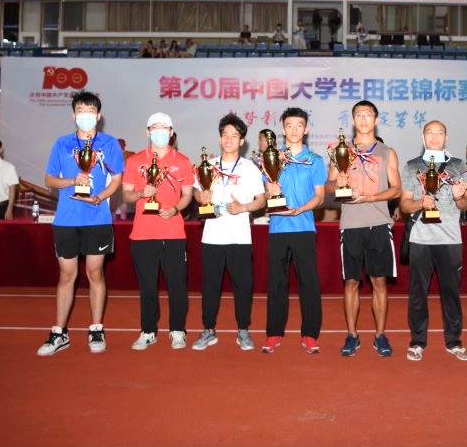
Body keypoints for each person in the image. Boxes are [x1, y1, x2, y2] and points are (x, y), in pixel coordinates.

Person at [36, 91, 124, 356]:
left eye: (90, 111)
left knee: (95, 274)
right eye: (81, 111)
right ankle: (59, 332)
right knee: (66, 276)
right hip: (66, 219)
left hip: (97, 218)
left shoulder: (109, 144)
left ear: (98, 116)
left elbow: (117, 180)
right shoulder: (62, 143)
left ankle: (96, 328)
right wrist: (73, 181)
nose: (86, 115)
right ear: (74, 115)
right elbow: (49, 179)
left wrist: (100, 197)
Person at [326, 100, 401, 357]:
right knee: (351, 282)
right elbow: (328, 187)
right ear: (353, 120)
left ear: (376, 120)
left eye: (368, 115)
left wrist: (371, 197)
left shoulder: (387, 151)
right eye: (359, 115)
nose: (363, 119)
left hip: (379, 223)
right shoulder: (340, 151)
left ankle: (380, 335)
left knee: (379, 282)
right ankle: (352, 335)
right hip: (351, 224)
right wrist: (339, 183)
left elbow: (396, 189)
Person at [191, 113, 266, 352]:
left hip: (239, 237)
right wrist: (200, 197)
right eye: (225, 135)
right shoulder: (208, 165)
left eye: (234, 135)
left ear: (242, 141)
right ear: (220, 138)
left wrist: (243, 207)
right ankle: (208, 330)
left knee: (243, 285)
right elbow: (196, 192)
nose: (229, 139)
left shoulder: (250, 168)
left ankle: (243, 330)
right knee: (210, 285)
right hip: (212, 235)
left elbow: (261, 200)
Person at [400, 120, 467, 362]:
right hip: (420, 239)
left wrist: (459, 196)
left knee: (451, 293)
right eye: (429, 133)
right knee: (417, 293)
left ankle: (454, 341)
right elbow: (405, 204)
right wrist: (420, 203)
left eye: (439, 133)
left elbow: (466, 204)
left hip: (450, 238)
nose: (434, 137)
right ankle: (417, 341)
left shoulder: (458, 165)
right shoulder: (412, 166)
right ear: (423, 138)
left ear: (446, 137)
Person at [122, 112, 193, 351]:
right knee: (147, 287)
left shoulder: (183, 161)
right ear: (148, 132)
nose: (160, 132)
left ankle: (177, 330)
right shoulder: (135, 161)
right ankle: (148, 330)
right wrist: (140, 193)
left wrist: (175, 209)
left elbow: (187, 195)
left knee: (177, 286)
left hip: (173, 233)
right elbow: (126, 195)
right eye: (155, 128)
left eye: (164, 128)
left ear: (172, 132)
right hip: (143, 233)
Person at [261, 108, 326, 354]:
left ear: (306, 129)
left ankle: (310, 334)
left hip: (304, 227)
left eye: (299, 125)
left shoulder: (315, 160)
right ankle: (274, 333)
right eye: (289, 125)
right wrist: (270, 190)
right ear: (283, 129)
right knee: (276, 283)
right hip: (278, 227)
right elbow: (266, 192)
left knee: (309, 283)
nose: (294, 129)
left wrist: (300, 210)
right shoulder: (272, 157)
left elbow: (319, 197)